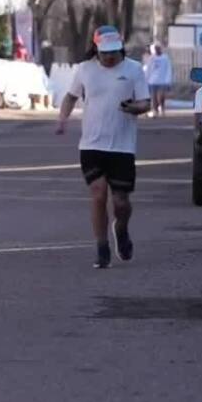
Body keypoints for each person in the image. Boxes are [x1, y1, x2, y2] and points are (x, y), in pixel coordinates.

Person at [55, 26, 151, 268]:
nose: (109, 57)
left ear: (120, 48)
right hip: (91, 145)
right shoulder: (85, 69)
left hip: (122, 147)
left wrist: (135, 108)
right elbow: (70, 97)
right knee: (98, 194)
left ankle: (121, 228)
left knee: (121, 202)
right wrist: (62, 120)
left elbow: (145, 103)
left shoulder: (133, 69)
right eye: (104, 52)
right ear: (95, 49)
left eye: (113, 52)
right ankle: (101, 246)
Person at [144, 43, 173, 118]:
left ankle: (162, 109)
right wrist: (146, 79)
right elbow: (148, 69)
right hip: (152, 81)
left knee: (161, 97)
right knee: (153, 98)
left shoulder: (165, 58)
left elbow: (168, 69)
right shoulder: (151, 58)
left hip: (162, 81)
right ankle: (155, 111)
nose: (156, 50)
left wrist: (168, 80)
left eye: (158, 48)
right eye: (155, 48)